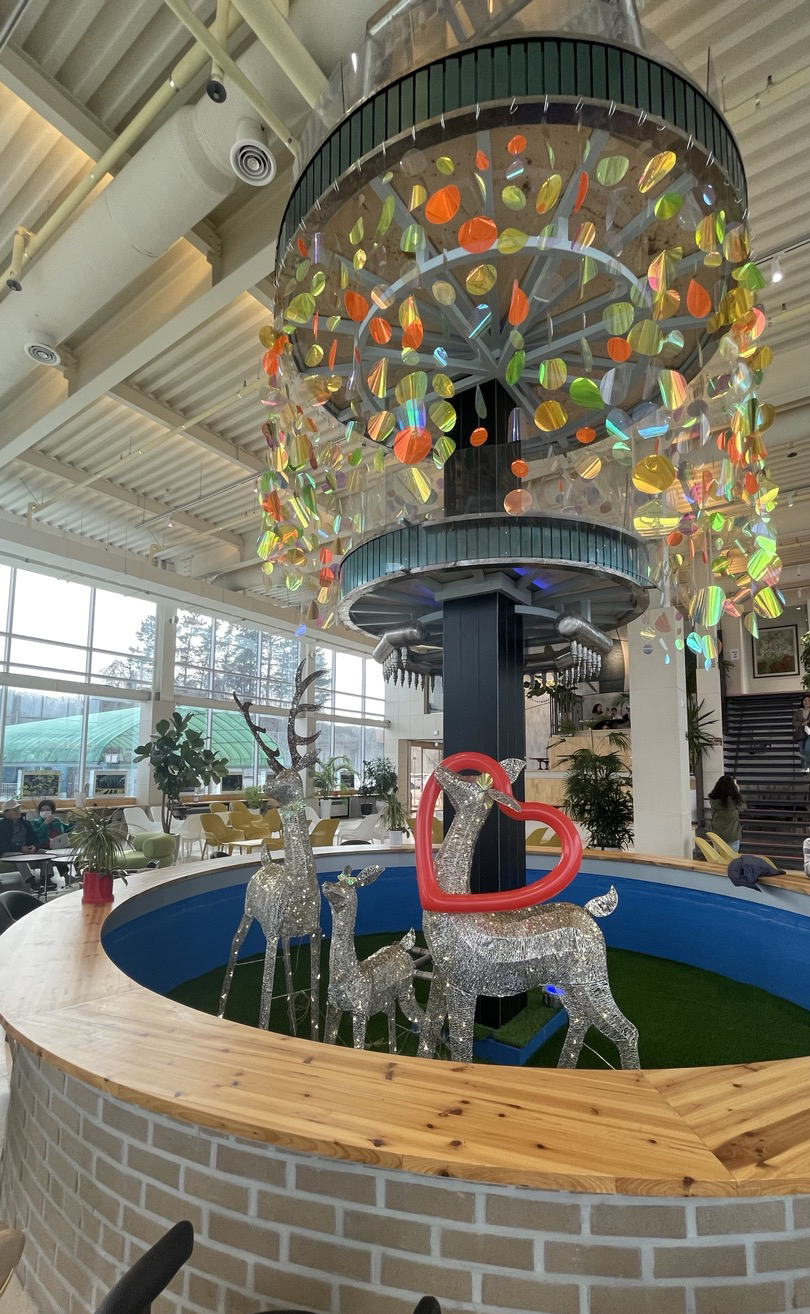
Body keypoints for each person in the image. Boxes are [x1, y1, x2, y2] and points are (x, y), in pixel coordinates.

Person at [708, 775, 746, 853]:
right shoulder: (734, 800)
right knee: (732, 856)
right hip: (732, 834)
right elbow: (743, 807)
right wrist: (737, 791)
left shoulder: (713, 800)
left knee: (719, 856)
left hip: (717, 834)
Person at [792, 695, 810, 774]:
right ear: (802, 702)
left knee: (807, 748)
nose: (807, 702)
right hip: (800, 732)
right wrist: (801, 723)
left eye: (809, 700)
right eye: (805, 700)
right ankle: (803, 766)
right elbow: (793, 722)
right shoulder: (798, 711)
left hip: (809, 733)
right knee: (802, 750)